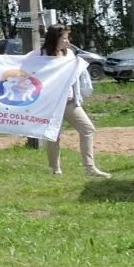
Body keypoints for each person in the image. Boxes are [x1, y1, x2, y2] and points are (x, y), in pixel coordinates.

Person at [32, 23, 108, 178]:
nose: (67, 41)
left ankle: (90, 168)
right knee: (54, 135)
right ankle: (55, 169)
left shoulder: (69, 55)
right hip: (51, 104)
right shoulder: (40, 56)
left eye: (67, 38)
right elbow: (28, 70)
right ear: (55, 39)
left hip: (69, 102)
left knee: (87, 129)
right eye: (64, 38)